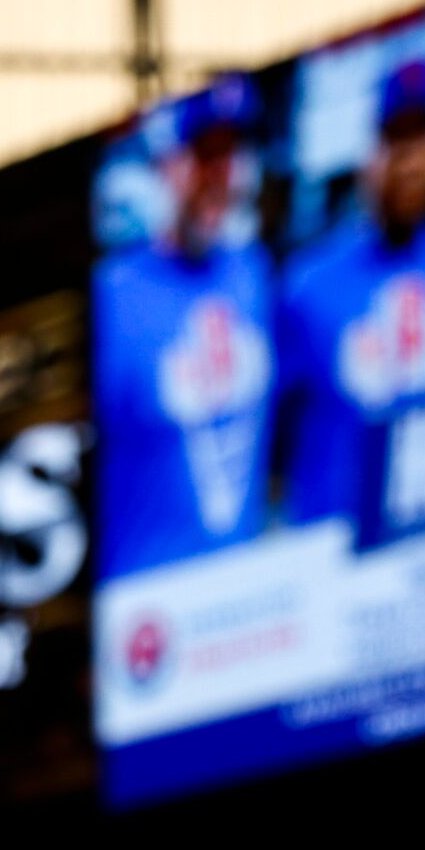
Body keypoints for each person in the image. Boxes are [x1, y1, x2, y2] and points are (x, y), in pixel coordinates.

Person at [272, 58, 425, 536]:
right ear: (367, 154)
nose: (408, 161)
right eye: (394, 139)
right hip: (339, 548)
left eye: (421, 138)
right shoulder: (308, 285)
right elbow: (273, 444)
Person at [91, 75, 276, 578]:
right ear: (164, 165)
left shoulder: (253, 274)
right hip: (145, 614)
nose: (222, 177)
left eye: (232, 155)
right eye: (204, 156)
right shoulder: (109, 297)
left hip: (249, 604)